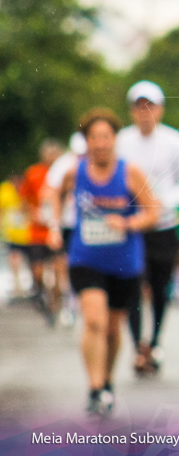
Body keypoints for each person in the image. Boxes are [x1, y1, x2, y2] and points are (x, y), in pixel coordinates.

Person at [52, 108, 160, 417]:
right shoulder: (75, 171)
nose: (100, 143)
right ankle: (95, 386)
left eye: (105, 137)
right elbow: (54, 193)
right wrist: (54, 226)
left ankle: (108, 380)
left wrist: (127, 224)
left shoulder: (130, 172)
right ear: (86, 141)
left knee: (113, 329)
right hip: (85, 258)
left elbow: (154, 212)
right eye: (93, 137)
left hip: (124, 261)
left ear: (115, 139)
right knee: (94, 320)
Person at [115, 80, 179, 375]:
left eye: (150, 105)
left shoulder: (175, 142)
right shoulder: (121, 141)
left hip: (164, 226)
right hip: (132, 227)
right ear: (131, 111)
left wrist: (162, 201)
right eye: (139, 106)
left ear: (161, 108)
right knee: (133, 288)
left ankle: (156, 340)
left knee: (161, 289)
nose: (144, 112)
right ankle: (139, 346)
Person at [43, 132, 88, 326]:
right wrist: (54, 227)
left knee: (82, 266)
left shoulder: (100, 164)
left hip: (87, 225)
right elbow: (50, 194)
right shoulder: (63, 165)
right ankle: (67, 304)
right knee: (64, 267)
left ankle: (77, 303)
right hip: (68, 223)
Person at [19, 138, 65, 324]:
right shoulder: (34, 173)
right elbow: (24, 199)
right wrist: (33, 213)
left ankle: (56, 306)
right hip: (38, 231)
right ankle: (39, 293)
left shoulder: (64, 173)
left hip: (56, 230)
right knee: (38, 272)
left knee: (58, 271)